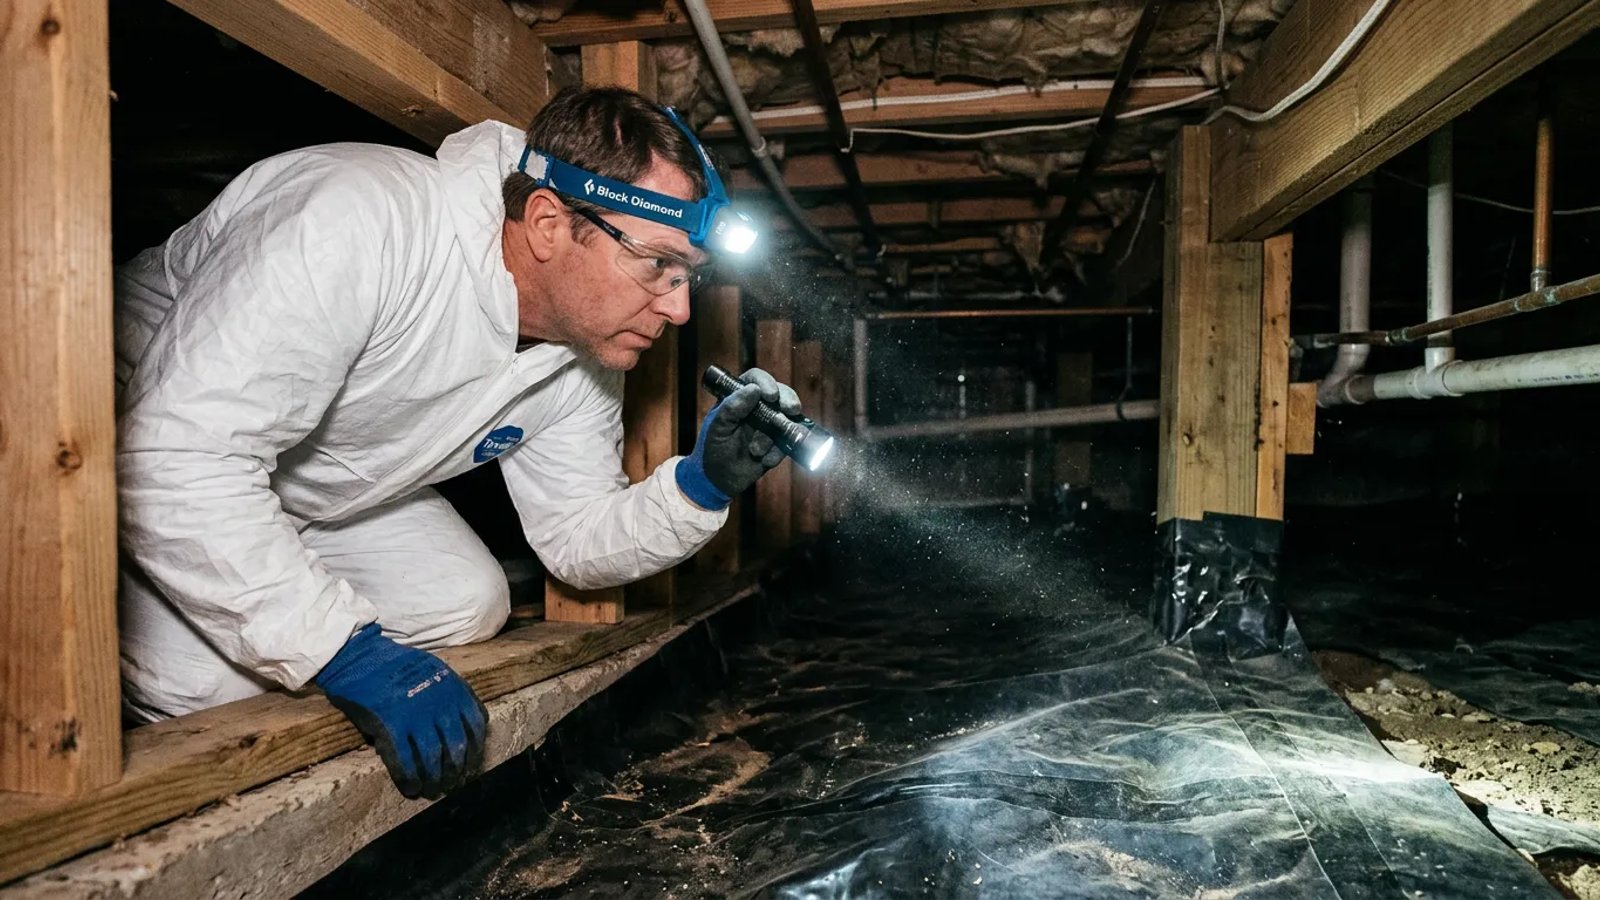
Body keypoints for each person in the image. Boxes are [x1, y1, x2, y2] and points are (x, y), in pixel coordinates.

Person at [114, 87, 798, 799]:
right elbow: (175, 457)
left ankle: (262, 594)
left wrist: (699, 486)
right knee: (204, 683)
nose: (680, 308)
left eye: (689, 276)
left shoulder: (581, 352)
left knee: (466, 601)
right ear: (547, 222)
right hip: (116, 460)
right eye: (658, 263)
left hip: (305, 487)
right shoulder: (360, 217)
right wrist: (344, 650)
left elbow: (573, 536)